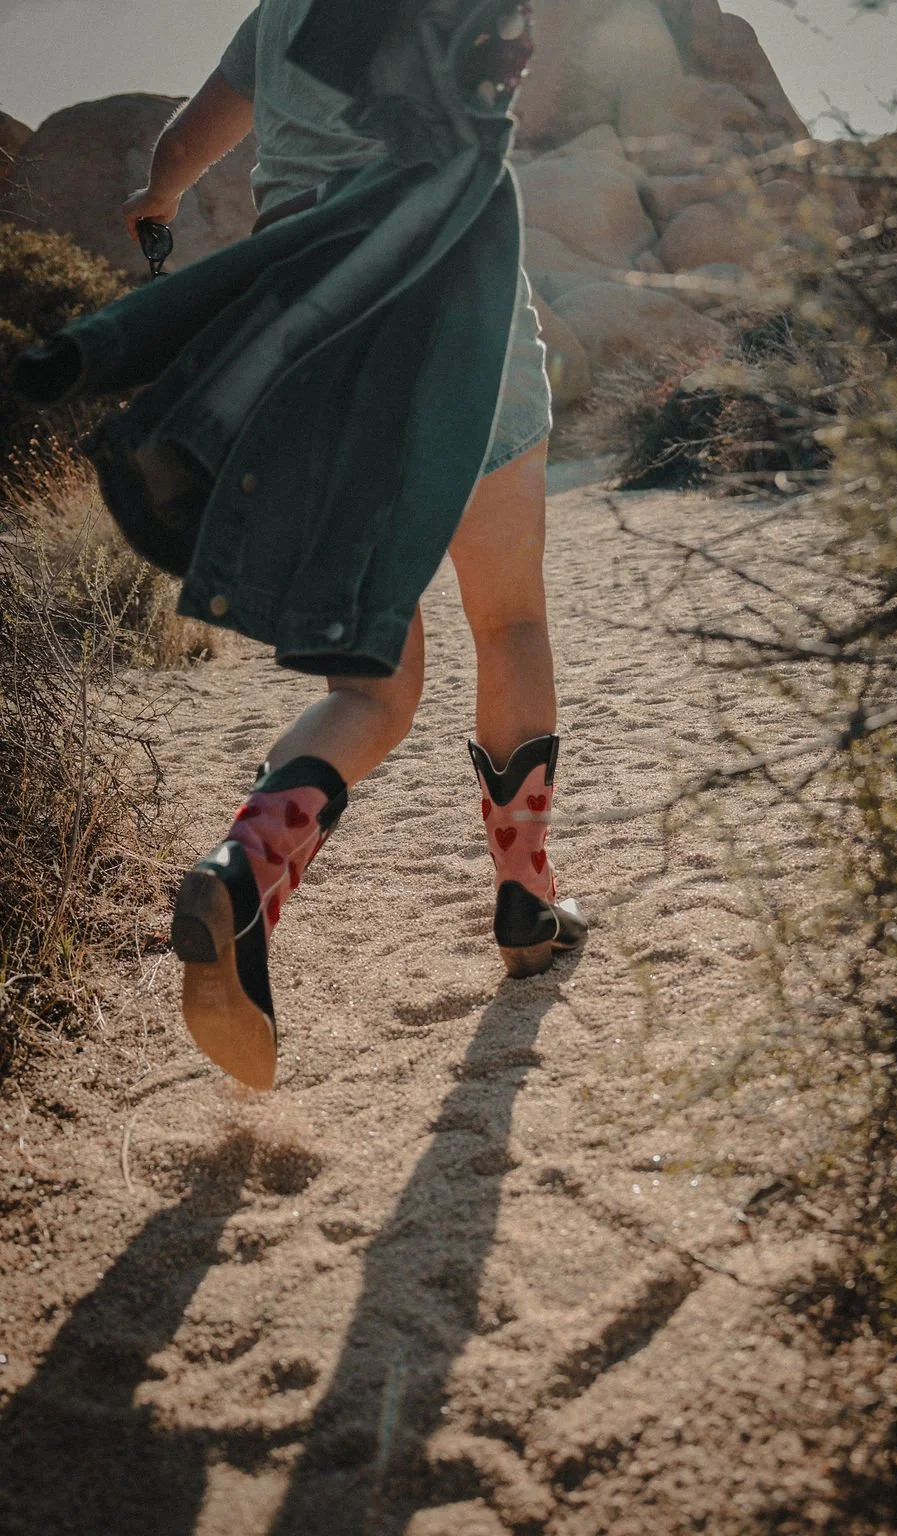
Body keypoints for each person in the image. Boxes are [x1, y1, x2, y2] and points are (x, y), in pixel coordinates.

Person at [119, 0, 586, 1093]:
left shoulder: (278, 13)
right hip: (456, 299)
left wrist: (156, 196)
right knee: (508, 615)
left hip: (315, 326)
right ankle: (526, 893)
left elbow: (183, 146)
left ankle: (241, 873)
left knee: (371, 685)